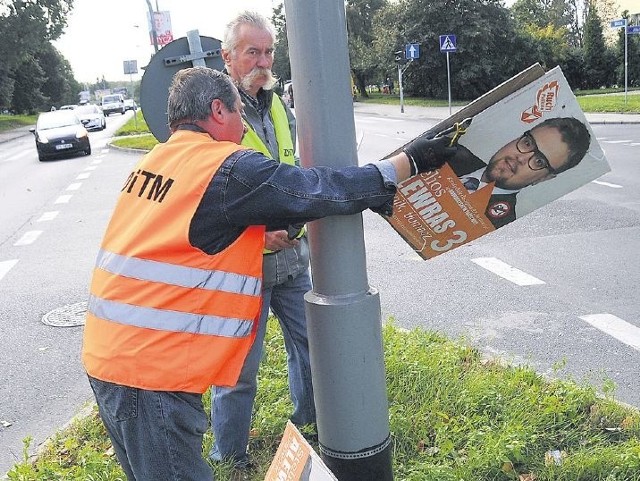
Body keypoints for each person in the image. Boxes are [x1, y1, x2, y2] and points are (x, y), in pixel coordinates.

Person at [81, 66, 450, 481]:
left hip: (113, 356)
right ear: (218, 110)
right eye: (239, 113)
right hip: (148, 373)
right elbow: (313, 189)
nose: (244, 126)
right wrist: (406, 163)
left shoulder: (159, 161)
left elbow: (192, 234)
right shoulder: (222, 168)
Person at [209, 11, 313, 472]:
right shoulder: (213, 113)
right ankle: (230, 456)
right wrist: (256, 231)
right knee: (237, 369)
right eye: (252, 52)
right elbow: (206, 196)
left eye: (269, 51)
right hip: (244, 264)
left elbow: (293, 166)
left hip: (291, 256)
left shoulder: (276, 104)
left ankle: (308, 424)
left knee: (311, 345)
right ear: (227, 57)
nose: (263, 61)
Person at [450, 117, 590, 228]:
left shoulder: (500, 225)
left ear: (544, 178)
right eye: (528, 143)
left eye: (539, 161)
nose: (521, 158)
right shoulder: (451, 152)